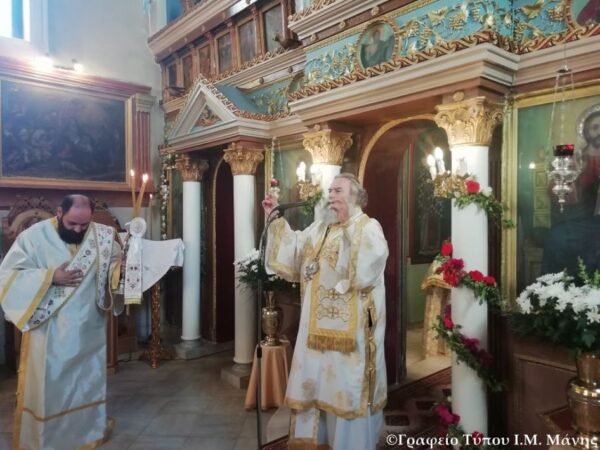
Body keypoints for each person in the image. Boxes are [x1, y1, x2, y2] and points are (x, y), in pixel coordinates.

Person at [262, 173, 389, 450]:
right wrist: (274, 217)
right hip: (314, 331)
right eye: (330, 191)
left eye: (338, 191)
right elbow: (294, 251)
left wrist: (348, 233)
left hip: (351, 334)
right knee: (317, 385)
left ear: (356, 196)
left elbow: (366, 270)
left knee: (345, 389)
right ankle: (318, 443)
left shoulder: (368, 227)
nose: (330, 195)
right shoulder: (320, 228)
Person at [0, 194, 122, 450]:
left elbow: (113, 263)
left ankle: (87, 431)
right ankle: (48, 438)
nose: (78, 230)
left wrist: (120, 267)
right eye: (72, 224)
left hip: (89, 326)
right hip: (50, 330)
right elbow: (8, 275)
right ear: (59, 213)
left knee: (86, 383)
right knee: (51, 385)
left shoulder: (100, 235)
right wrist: (50, 277)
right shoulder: (34, 237)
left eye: (84, 225)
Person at [541, 110, 600, 274]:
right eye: (595, 127)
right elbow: (556, 189)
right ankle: (559, 284)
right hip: (578, 219)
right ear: (585, 131)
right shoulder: (570, 153)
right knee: (557, 237)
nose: (599, 132)